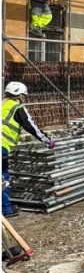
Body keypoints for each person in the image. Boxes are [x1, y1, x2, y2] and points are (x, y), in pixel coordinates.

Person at [2, 82, 56, 217]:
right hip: (1, 145)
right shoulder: (17, 107)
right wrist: (47, 140)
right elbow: (31, 126)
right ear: (20, 95)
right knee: (3, 177)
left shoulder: (2, 104)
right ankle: (6, 209)